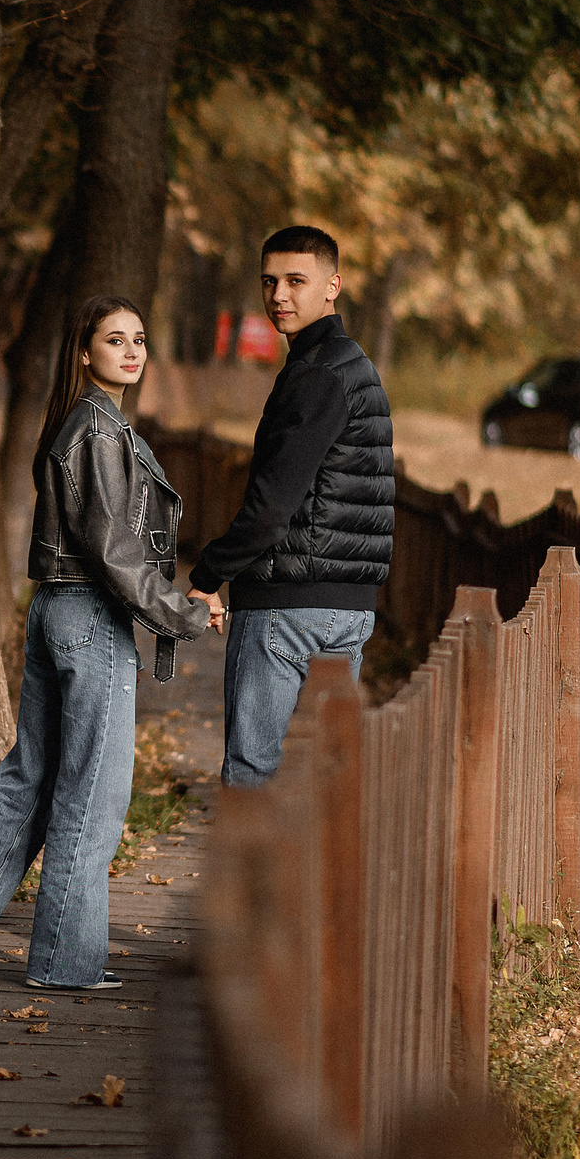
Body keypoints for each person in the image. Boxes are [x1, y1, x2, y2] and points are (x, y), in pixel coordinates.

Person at [0, 295, 211, 990]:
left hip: (54, 608)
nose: (132, 351)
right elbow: (112, 550)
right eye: (115, 339)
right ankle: (65, 963)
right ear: (84, 351)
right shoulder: (98, 429)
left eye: (139, 338)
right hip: (90, 615)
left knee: (32, 773)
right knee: (92, 789)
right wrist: (183, 613)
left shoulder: (78, 422)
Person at [186, 225, 394, 785]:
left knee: (252, 777)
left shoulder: (317, 374)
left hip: (288, 606)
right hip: (348, 611)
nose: (279, 295)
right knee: (321, 783)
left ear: (332, 287)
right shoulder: (354, 367)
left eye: (296, 281)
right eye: (269, 282)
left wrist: (208, 575)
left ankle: (251, 854)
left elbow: (272, 507)